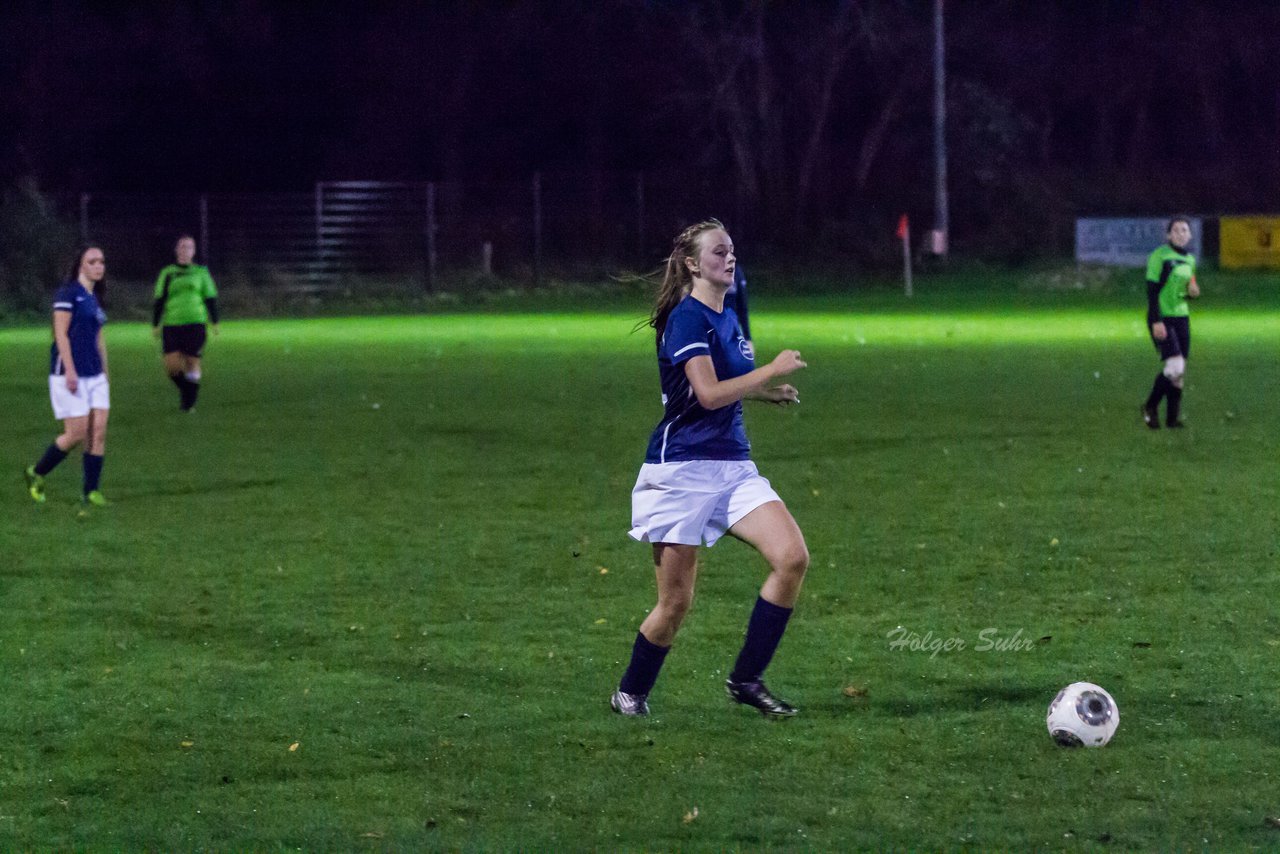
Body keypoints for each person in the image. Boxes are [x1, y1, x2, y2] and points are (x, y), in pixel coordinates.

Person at [611, 219, 809, 719]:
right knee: (675, 605)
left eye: (733, 251)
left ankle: (746, 679)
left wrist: (766, 392)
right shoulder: (687, 319)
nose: (730, 258)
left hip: (734, 467)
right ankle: (629, 693)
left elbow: (731, 386)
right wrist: (772, 369)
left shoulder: (728, 317)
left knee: (792, 558)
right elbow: (707, 393)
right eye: (719, 252)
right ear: (693, 264)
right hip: (680, 472)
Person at [23, 245, 112, 511]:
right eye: (92, 261)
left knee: (98, 431)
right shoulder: (68, 293)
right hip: (69, 373)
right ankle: (36, 472)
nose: (98, 266)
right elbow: (60, 334)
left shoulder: (94, 297)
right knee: (76, 433)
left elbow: (98, 337)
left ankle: (91, 491)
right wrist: (70, 370)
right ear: (80, 265)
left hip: (94, 374)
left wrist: (105, 372)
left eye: (101, 261)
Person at [1141, 217, 1201, 429]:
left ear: (1190, 235)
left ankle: (1172, 419)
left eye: (1184, 230)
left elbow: (1189, 287)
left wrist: (1193, 293)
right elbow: (1152, 291)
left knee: (1178, 370)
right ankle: (1149, 407)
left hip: (1182, 316)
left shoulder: (1190, 260)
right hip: (1162, 317)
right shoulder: (1160, 256)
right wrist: (1156, 320)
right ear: (1168, 235)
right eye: (1176, 230)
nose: (1181, 234)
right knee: (1175, 366)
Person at [152, 234, 219, 411]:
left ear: (193, 251)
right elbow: (160, 298)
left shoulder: (201, 273)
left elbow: (210, 298)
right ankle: (189, 390)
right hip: (172, 324)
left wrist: (215, 321)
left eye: (189, 247)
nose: (185, 250)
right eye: (182, 246)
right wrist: (155, 323)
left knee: (192, 361)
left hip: (195, 323)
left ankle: (188, 403)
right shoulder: (167, 273)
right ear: (176, 250)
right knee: (171, 366)